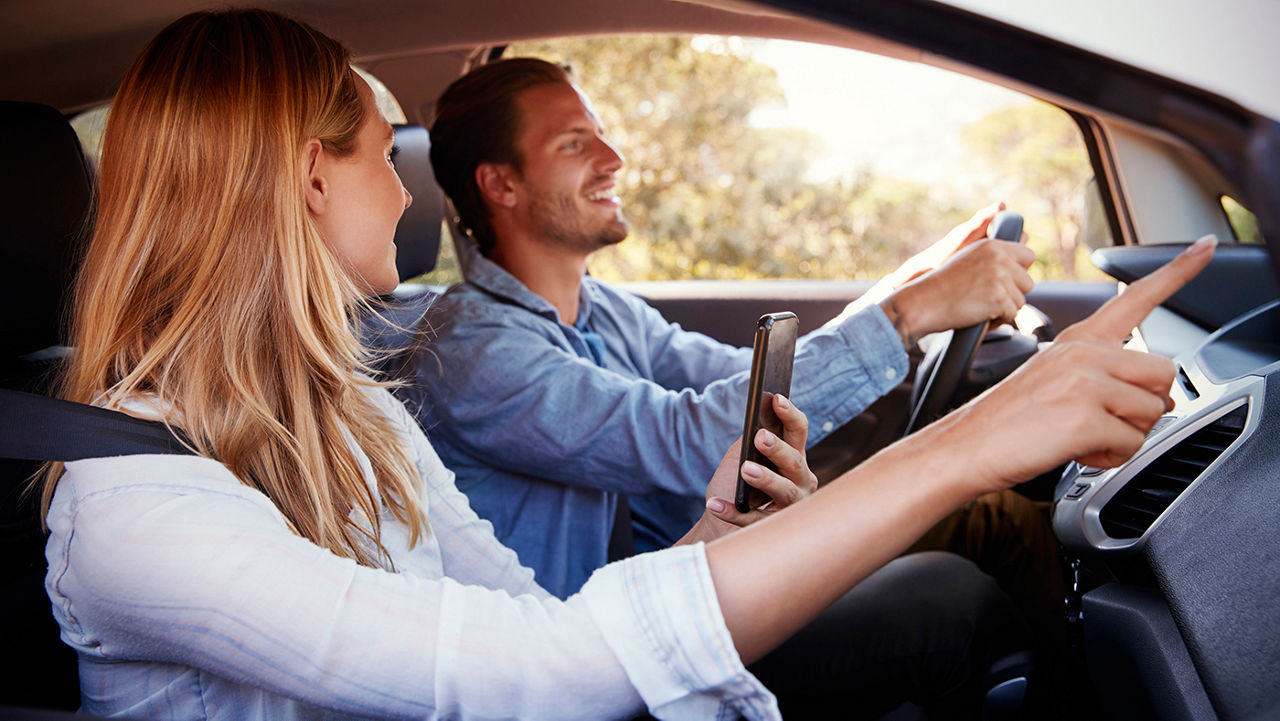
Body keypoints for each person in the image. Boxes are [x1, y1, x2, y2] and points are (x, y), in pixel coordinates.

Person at [39, 8, 1211, 721]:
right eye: (380, 155)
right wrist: (963, 444)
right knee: (944, 589)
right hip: (550, 682)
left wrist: (713, 531)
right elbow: (540, 670)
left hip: (561, 659)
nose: (403, 190)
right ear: (308, 178)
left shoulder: (355, 418)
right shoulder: (139, 506)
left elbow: (521, 615)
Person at [410, 58, 1057, 633]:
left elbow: (752, 380)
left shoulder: (602, 308)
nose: (614, 158)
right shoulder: (471, 352)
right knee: (961, 575)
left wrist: (908, 287)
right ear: (501, 185)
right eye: (575, 143)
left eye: (601, 134)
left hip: (699, 573)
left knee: (981, 517)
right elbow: (686, 438)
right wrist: (911, 312)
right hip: (607, 646)